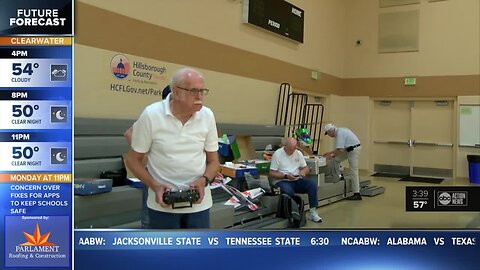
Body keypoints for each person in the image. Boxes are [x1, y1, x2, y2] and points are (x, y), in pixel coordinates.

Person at [126, 67, 220, 229]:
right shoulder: (151, 114)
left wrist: (204, 181)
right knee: (165, 253)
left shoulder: (207, 116)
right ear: (176, 92)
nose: (199, 96)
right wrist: (154, 185)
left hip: (199, 205)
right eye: (193, 91)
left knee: (197, 253)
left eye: (202, 91)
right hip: (163, 205)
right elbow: (132, 160)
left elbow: (214, 162)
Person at [269, 137, 322, 223]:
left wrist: (303, 172)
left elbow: (305, 168)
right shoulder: (277, 154)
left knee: (312, 184)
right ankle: (293, 213)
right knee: (288, 190)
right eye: (290, 149)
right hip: (282, 180)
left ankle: (313, 212)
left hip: (296, 179)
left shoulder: (298, 153)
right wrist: (286, 176)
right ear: (285, 146)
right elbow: (272, 173)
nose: (292, 151)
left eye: (294, 149)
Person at [322, 123, 362, 200]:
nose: (329, 136)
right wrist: (330, 153)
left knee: (353, 171)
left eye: (328, 134)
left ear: (331, 131)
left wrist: (332, 156)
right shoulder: (340, 131)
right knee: (336, 159)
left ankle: (357, 193)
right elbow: (339, 148)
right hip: (349, 149)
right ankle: (336, 177)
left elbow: (340, 150)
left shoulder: (340, 133)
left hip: (353, 150)